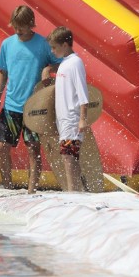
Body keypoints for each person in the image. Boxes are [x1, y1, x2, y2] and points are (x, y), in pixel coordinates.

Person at [0, 5, 62, 193]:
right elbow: (3, 71)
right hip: (11, 105)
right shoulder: (7, 44)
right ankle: (7, 186)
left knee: (33, 148)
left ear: (31, 24)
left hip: (34, 107)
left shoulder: (43, 44)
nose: (18, 31)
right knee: (2, 146)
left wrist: (49, 69)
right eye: (15, 26)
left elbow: (61, 63)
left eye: (21, 27)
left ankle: (31, 190)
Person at [48, 26, 89, 192]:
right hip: (64, 120)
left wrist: (82, 118)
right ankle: (76, 190)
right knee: (69, 156)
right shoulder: (65, 63)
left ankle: (73, 192)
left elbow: (82, 92)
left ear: (65, 45)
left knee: (68, 156)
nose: (52, 51)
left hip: (73, 119)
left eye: (54, 47)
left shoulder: (75, 63)